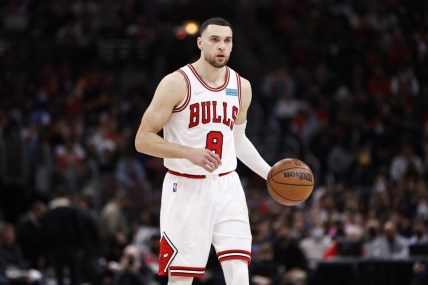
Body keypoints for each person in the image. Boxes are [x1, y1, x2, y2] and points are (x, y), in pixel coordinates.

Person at [135, 17, 271, 285]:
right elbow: (142, 140)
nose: (222, 46)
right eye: (215, 39)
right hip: (185, 187)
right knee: (182, 278)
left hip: (227, 185)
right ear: (200, 43)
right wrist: (188, 152)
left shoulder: (241, 86)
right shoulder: (176, 83)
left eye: (227, 41)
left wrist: (270, 173)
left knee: (239, 270)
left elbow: (238, 140)